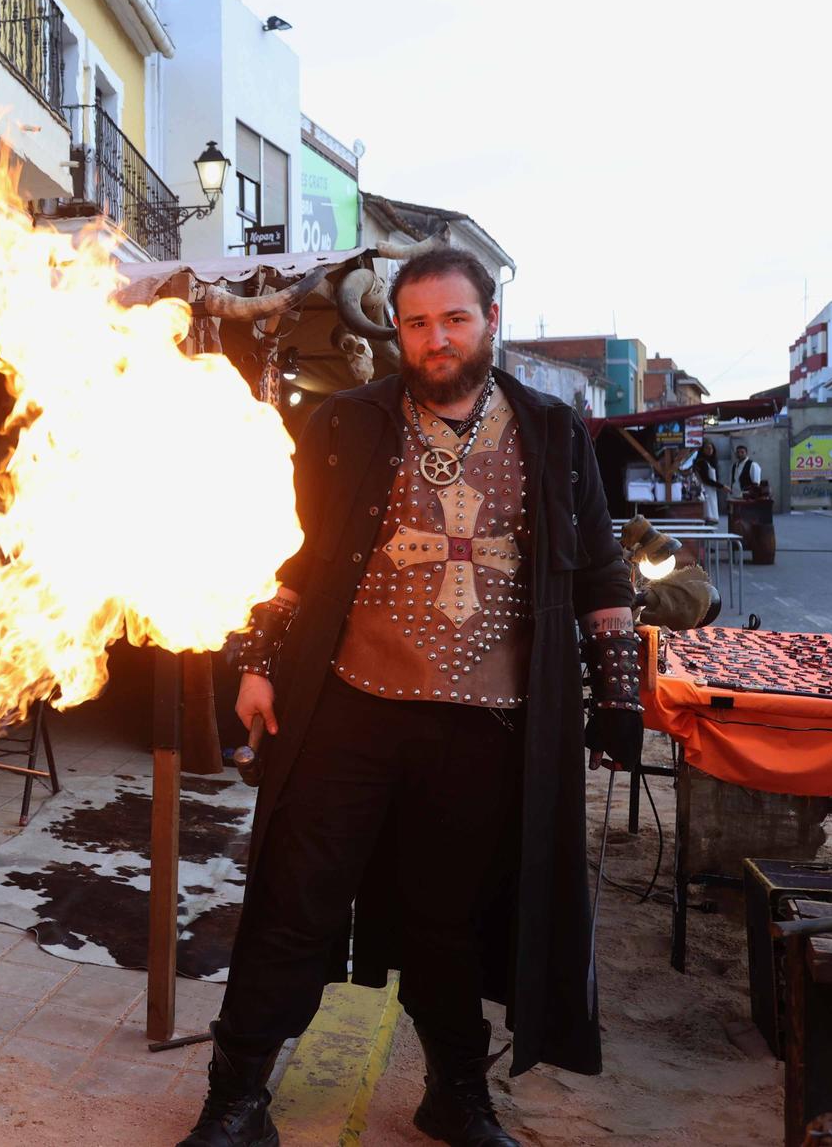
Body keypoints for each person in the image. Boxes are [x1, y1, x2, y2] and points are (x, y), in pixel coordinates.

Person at [179, 247, 637, 1147]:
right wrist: (260, 664)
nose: (436, 339)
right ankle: (235, 1096)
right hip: (350, 704)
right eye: (418, 322)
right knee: (294, 897)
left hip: (485, 723)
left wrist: (618, 689)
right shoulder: (347, 423)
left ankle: (457, 1091)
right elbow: (294, 556)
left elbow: (600, 569)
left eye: (454, 319)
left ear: (491, 320)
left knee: (449, 915)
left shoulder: (551, 431)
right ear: (398, 330)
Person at [691, 441, 723, 522]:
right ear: (702, 450)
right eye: (707, 448)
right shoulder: (701, 462)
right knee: (707, 512)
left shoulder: (711, 462)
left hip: (712, 491)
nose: (710, 450)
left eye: (711, 448)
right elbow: (706, 479)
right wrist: (721, 486)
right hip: (705, 490)